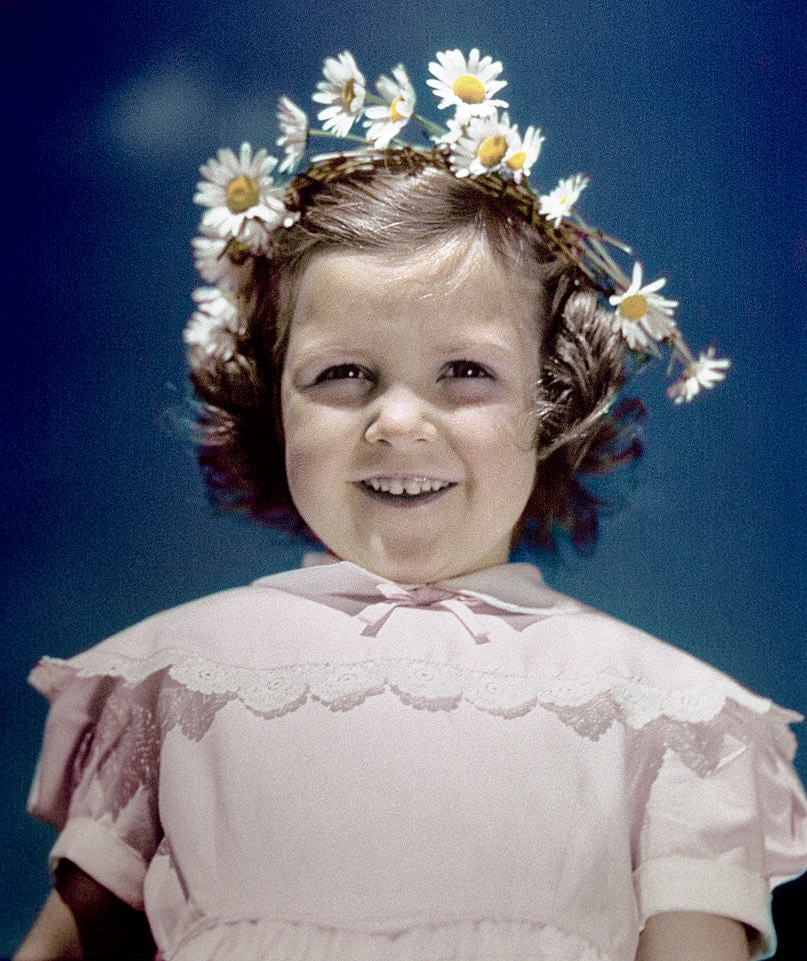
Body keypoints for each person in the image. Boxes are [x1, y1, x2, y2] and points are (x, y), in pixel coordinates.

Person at [15, 49, 807, 961]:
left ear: (549, 402)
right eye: (341, 373)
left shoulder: (664, 714)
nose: (397, 422)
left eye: (464, 371)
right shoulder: (174, 676)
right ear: (271, 402)